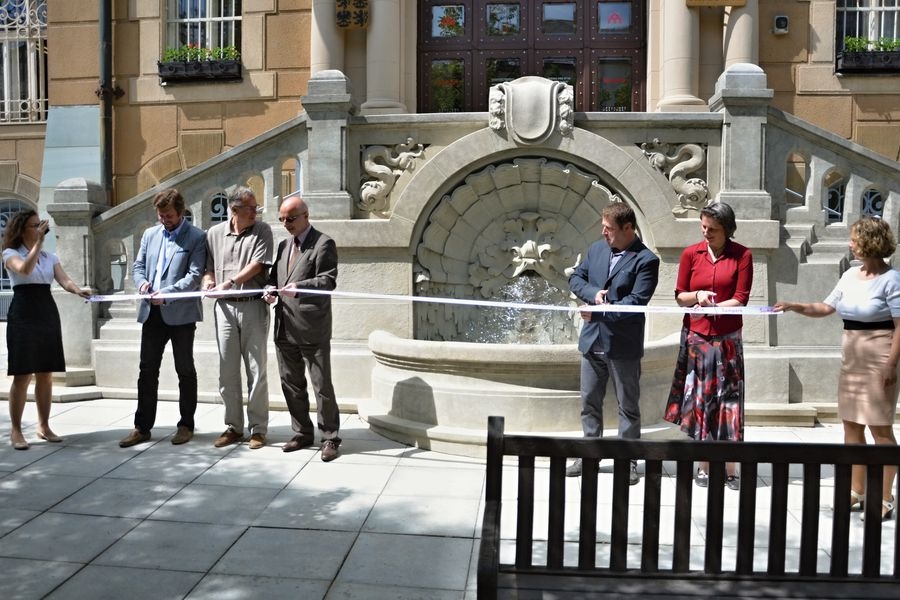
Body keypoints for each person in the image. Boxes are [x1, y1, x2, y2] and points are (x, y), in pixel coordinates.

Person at [775, 216, 899, 521]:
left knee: (879, 429)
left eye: (855, 239)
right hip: (852, 358)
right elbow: (826, 307)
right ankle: (855, 491)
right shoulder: (849, 276)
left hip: (880, 357)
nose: (850, 244)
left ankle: (884, 496)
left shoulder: (892, 279)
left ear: (871, 241)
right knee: (851, 426)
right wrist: (796, 305)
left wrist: (891, 365)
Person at [567, 202, 660, 482]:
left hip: (623, 344)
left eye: (609, 229)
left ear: (628, 228)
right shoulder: (596, 249)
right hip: (592, 342)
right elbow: (576, 279)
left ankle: (627, 459)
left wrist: (600, 310)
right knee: (589, 402)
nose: (603, 232)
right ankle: (589, 454)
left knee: (627, 405)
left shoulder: (646, 260)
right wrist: (595, 294)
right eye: (603, 227)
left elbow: (636, 302)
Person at [664, 202, 752, 491]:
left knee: (729, 400)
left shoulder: (743, 255)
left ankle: (730, 468)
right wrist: (698, 295)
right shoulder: (691, 253)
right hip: (697, 337)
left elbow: (740, 298)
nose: (706, 232)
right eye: (703, 227)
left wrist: (715, 308)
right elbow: (680, 296)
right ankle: (703, 466)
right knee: (701, 399)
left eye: (712, 229)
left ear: (727, 229)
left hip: (727, 339)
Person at [119, 188, 207, 448]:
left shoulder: (197, 237)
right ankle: (142, 427)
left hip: (180, 314)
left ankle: (186, 425)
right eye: (160, 215)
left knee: (185, 370)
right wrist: (143, 283)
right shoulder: (149, 235)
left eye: (168, 215)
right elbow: (137, 267)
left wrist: (166, 294)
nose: (163, 220)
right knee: (147, 371)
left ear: (181, 212)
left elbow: (194, 276)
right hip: (151, 313)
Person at [3, 210, 90, 449]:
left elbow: (64, 280)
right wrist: (39, 243)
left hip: (46, 313)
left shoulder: (50, 257)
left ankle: (44, 425)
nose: (39, 228)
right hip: (23, 313)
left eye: (40, 225)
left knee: (46, 374)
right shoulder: (10, 253)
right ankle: (16, 430)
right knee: (22, 374)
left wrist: (78, 289)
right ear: (21, 229)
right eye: (34, 225)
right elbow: (24, 270)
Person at [263, 195, 341, 461]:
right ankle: (301, 432)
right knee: (291, 384)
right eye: (282, 219)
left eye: (290, 218)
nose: (286, 224)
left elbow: (327, 281)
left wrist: (301, 288)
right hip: (284, 326)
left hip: (312, 327)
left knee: (321, 386)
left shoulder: (323, 243)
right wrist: (269, 290)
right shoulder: (284, 245)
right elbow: (276, 278)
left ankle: (330, 437)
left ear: (306, 215)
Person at [202, 187, 273, 449]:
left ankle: (258, 429)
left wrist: (230, 282)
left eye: (256, 208)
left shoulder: (262, 230)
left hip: (253, 307)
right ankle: (233, 426)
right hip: (224, 309)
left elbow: (258, 264)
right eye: (251, 208)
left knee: (257, 370)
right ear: (234, 210)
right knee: (227, 372)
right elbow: (208, 268)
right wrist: (209, 282)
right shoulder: (214, 234)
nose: (256, 212)